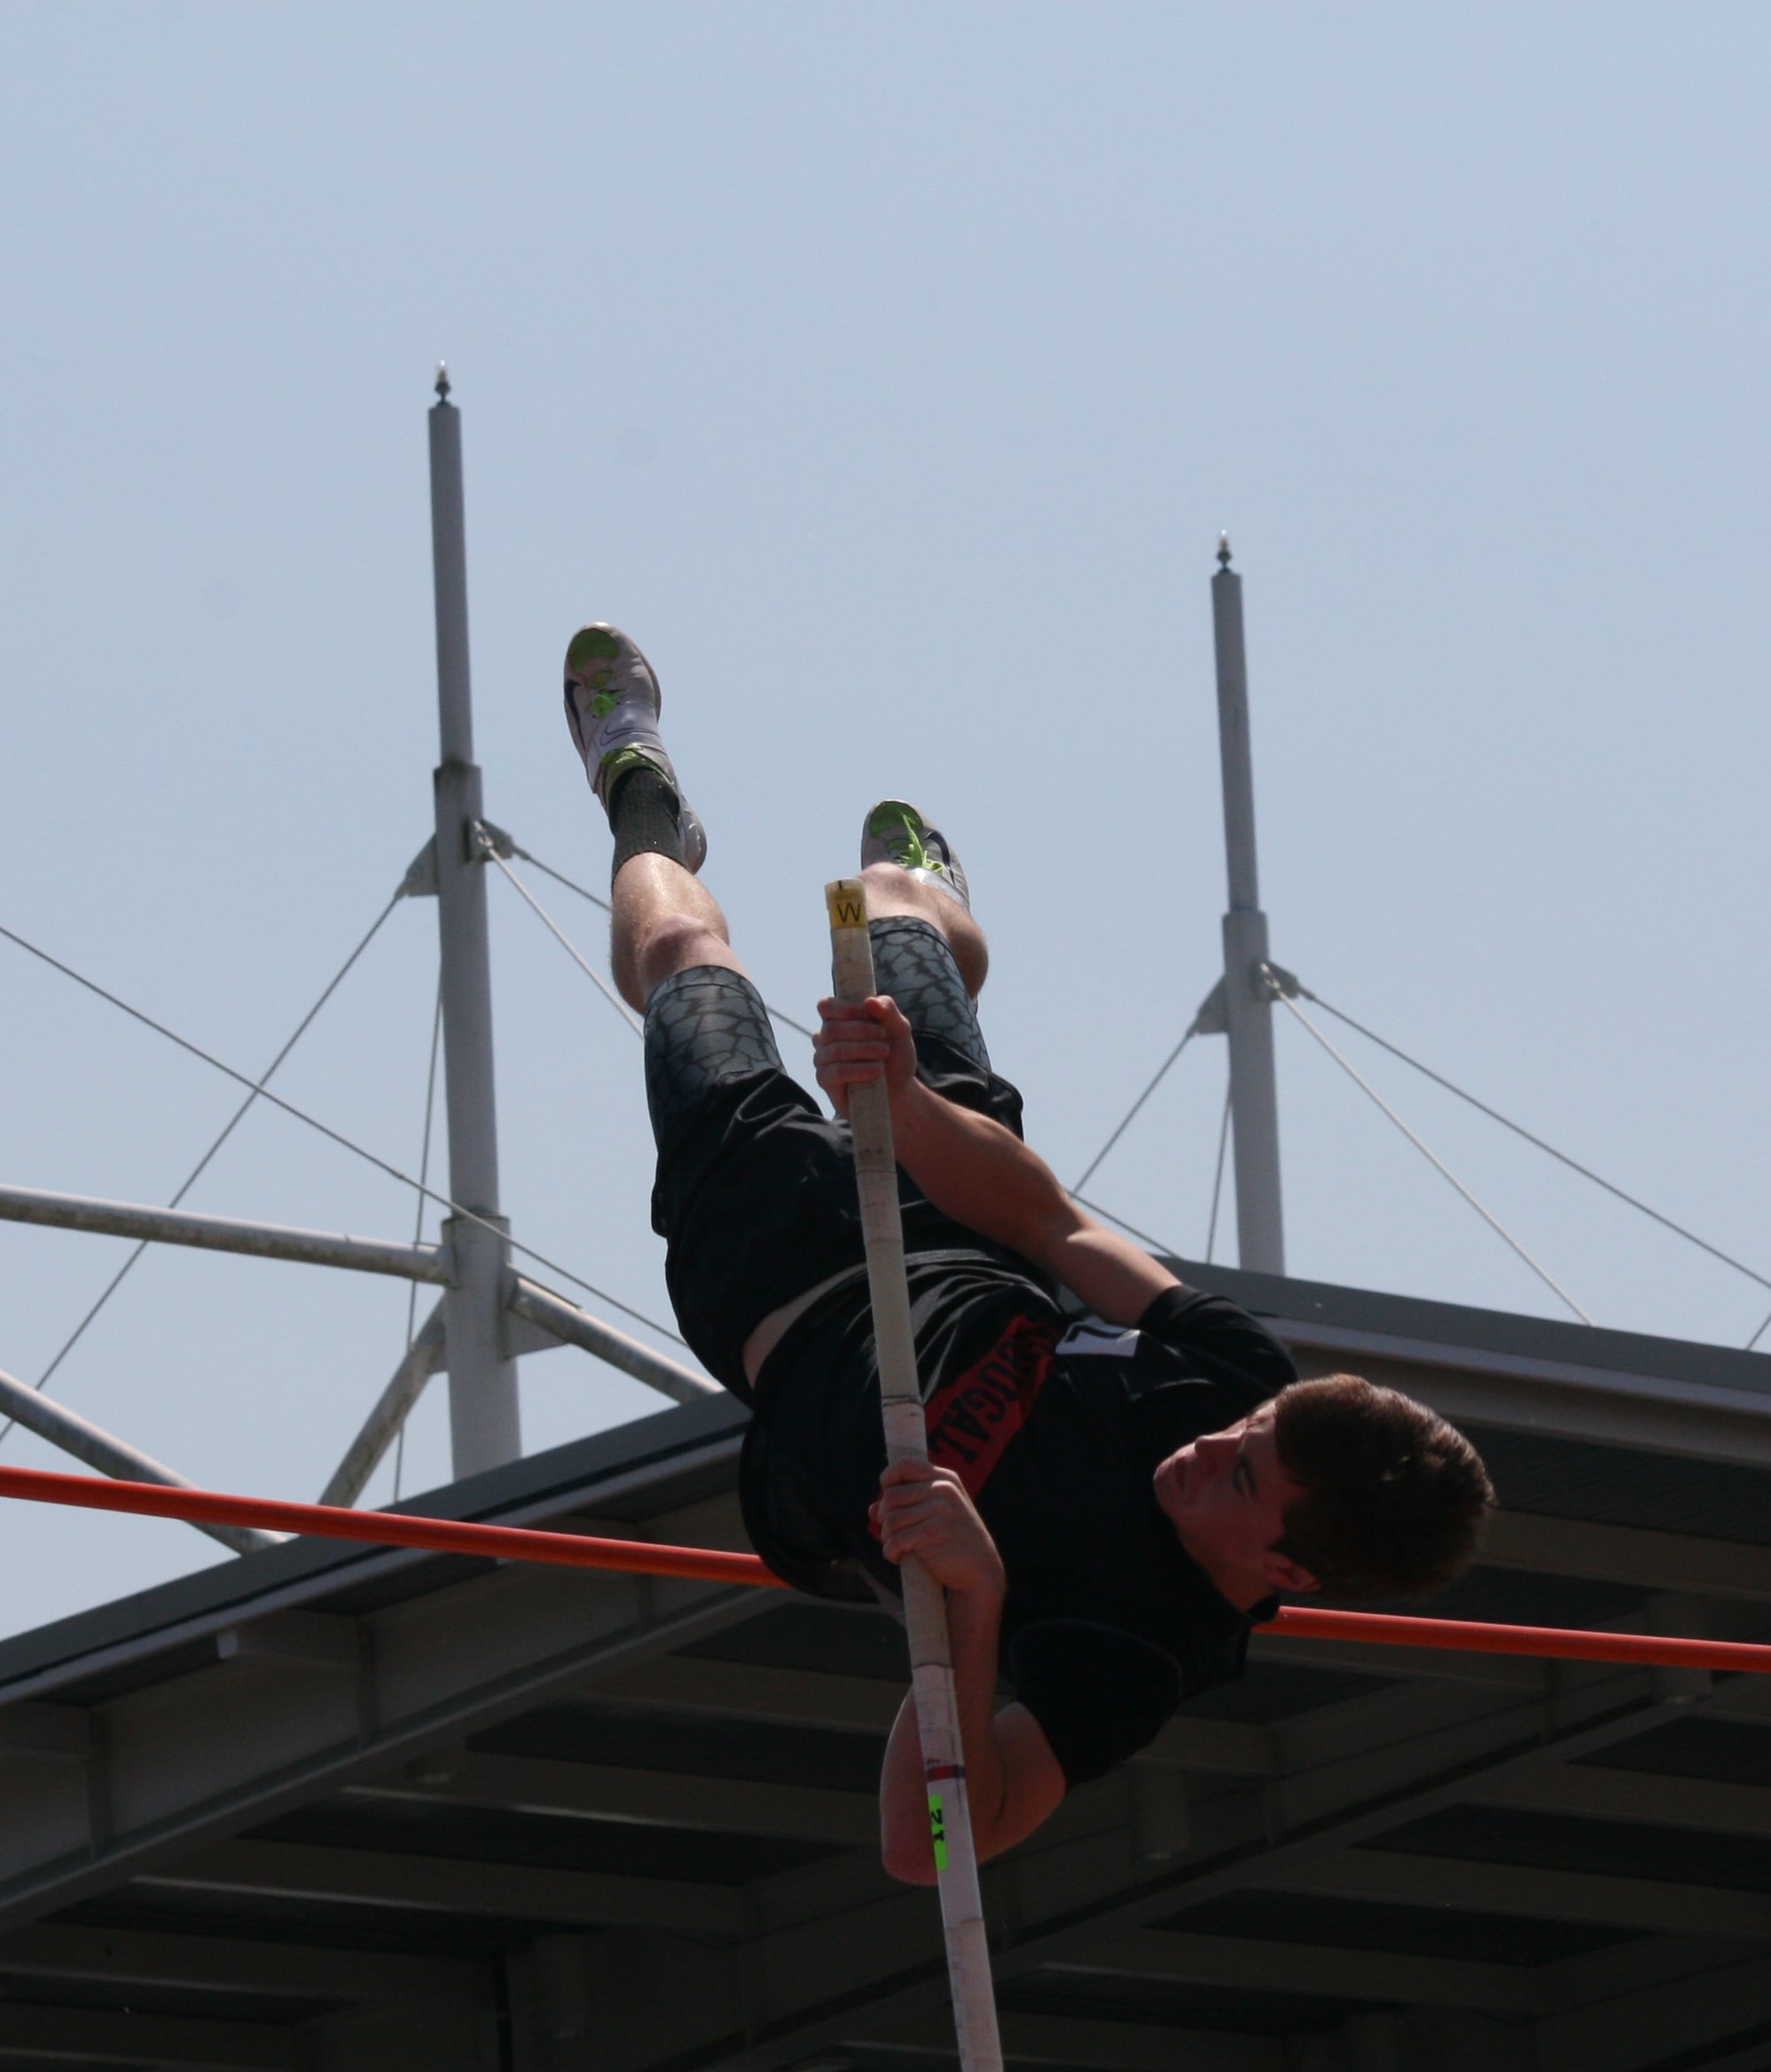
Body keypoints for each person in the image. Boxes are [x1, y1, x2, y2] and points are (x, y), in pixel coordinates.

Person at [561, 623, 1495, 1885]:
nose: (1208, 1441)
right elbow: (1048, 1224)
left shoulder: (1134, 1655)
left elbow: (931, 1842)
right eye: (1247, 1431)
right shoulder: (1234, 1376)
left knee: (686, 965)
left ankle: (636, 795)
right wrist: (904, 1106)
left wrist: (977, 1601)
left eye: (1238, 1477)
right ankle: (931, 901)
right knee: (896, 925)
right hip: (957, 1208)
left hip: (777, 1277)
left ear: (1282, 1569)